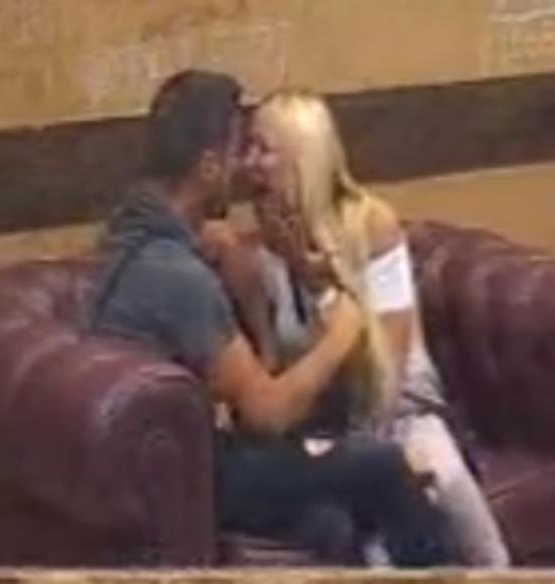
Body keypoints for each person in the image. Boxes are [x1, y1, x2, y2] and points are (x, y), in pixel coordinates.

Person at [88, 70, 449, 566]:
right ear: (209, 166)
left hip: (171, 464)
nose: (245, 168)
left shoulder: (128, 239)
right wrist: (341, 333)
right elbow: (267, 414)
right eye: (238, 150)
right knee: (383, 468)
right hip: (201, 474)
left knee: (329, 521)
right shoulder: (176, 275)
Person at [213, 88, 511, 566]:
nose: (248, 163)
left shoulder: (372, 227)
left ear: (303, 158)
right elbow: (272, 377)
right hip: (317, 426)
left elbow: (385, 382)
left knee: (460, 511)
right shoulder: (261, 251)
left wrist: (323, 286)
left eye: (263, 149)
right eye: (247, 147)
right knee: (343, 527)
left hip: (400, 412)